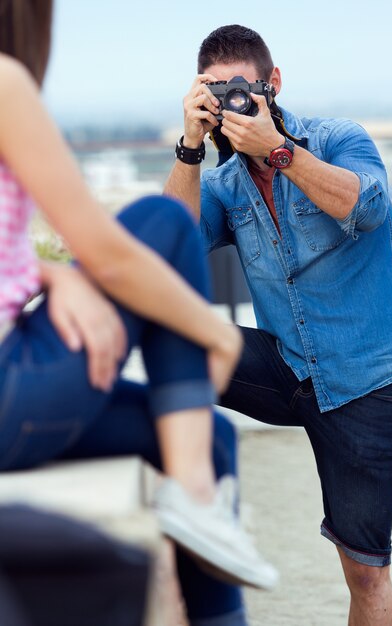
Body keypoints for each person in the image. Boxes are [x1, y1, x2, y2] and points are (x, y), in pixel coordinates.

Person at [0, 5, 278, 626]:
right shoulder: (4, 84)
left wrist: (48, 275)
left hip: (14, 396)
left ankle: (200, 507)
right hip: (10, 391)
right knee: (160, 224)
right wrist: (213, 333)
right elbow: (113, 255)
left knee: (215, 439)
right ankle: (198, 501)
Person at [164, 23, 392, 626]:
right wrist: (190, 147)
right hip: (286, 367)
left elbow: (368, 205)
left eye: (241, 91)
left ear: (271, 84)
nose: (231, 105)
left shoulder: (338, 138)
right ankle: (197, 498)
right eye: (216, 93)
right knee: (176, 336)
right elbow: (169, 250)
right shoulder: (224, 183)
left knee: (364, 569)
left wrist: (276, 149)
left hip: (365, 380)